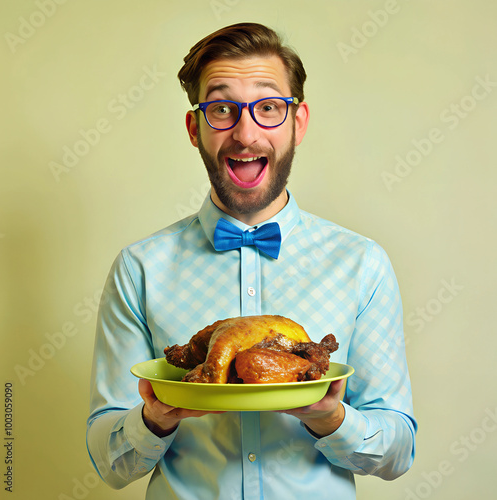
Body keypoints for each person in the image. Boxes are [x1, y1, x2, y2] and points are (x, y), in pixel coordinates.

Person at [86, 22, 416, 499]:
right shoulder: (139, 268)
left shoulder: (361, 263)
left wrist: (333, 420)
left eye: (268, 108)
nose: (245, 133)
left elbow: (398, 451)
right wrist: (150, 422)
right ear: (194, 127)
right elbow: (109, 463)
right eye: (221, 108)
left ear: (297, 123)